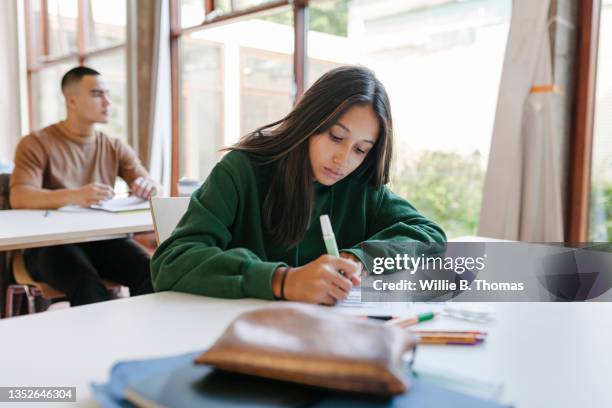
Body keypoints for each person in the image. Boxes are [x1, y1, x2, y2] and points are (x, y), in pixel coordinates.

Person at [151, 66, 446, 305]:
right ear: (310, 121)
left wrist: (359, 258)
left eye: (361, 149)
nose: (343, 160)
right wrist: (282, 280)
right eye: (336, 137)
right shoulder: (242, 170)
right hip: (238, 335)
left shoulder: (361, 186)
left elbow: (430, 236)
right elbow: (172, 261)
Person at [9, 66, 157, 306]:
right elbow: (20, 196)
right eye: (98, 94)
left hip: (103, 239)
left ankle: (152, 340)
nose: (108, 102)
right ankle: (101, 345)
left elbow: (150, 183)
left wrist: (147, 185)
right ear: (72, 101)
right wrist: (76, 195)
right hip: (48, 244)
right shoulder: (35, 143)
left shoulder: (114, 146)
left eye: (107, 94)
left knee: (153, 272)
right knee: (85, 281)